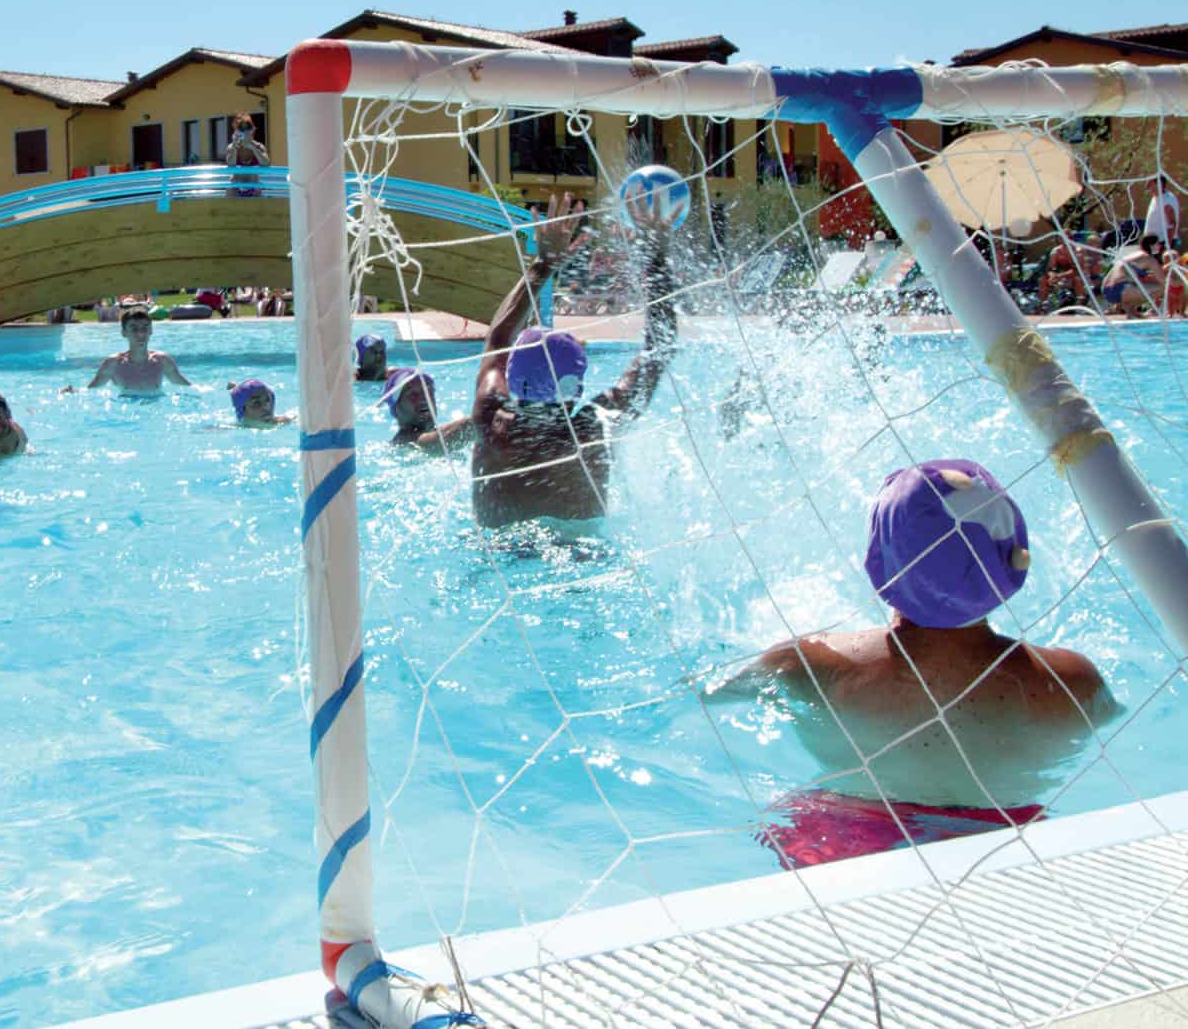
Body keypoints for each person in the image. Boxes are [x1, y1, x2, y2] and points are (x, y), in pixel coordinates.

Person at [727, 461, 1112, 869]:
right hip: (1004, 834)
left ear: (877, 560)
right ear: (1012, 563)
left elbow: (710, 696)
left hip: (848, 827)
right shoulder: (1073, 680)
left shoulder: (807, 664)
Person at [470, 191, 676, 530]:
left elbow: (497, 338)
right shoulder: (593, 429)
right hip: (579, 555)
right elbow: (660, 348)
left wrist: (543, 264)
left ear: (512, 373)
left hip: (497, 551)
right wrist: (656, 257)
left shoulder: (489, 417)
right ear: (575, 387)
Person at [74, 306, 192, 394]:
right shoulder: (113, 364)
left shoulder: (163, 361)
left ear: (151, 330)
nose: (140, 333)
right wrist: (74, 392)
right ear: (124, 333)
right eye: (134, 328)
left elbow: (188, 388)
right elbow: (90, 391)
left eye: (145, 328)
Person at [1102, 234, 1163, 317]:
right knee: (1163, 288)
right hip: (1122, 289)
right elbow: (1163, 280)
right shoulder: (1149, 259)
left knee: (1136, 283)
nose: (1160, 246)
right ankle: (1129, 306)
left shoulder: (1133, 255)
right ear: (1151, 245)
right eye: (1158, 244)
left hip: (1106, 291)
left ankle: (1125, 308)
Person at [223, 112, 267, 197]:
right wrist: (235, 147)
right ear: (236, 131)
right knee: (230, 190)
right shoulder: (231, 147)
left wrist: (253, 148)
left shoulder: (259, 146)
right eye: (241, 129)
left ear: (252, 130)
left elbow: (266, 163)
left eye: (247, 128)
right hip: (235, 187)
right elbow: (231, 165)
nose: (245, 132)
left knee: (258, 192)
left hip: (254, 187)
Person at [228, 379, 292, 427]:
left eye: (267, 400)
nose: (266, 407)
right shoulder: (240, 426)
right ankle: (233, 388)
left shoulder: (282, 421)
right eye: (256, 403)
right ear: (243, 410)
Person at [1143, 177, 1180, 249]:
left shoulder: (1167, 201)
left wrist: (1167, 247)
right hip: (1153, 242)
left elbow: (1172, 224)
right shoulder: (1156, 197)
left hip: (1162, 242)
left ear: (1159, 185)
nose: (1147, 187)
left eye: (1150, 184)